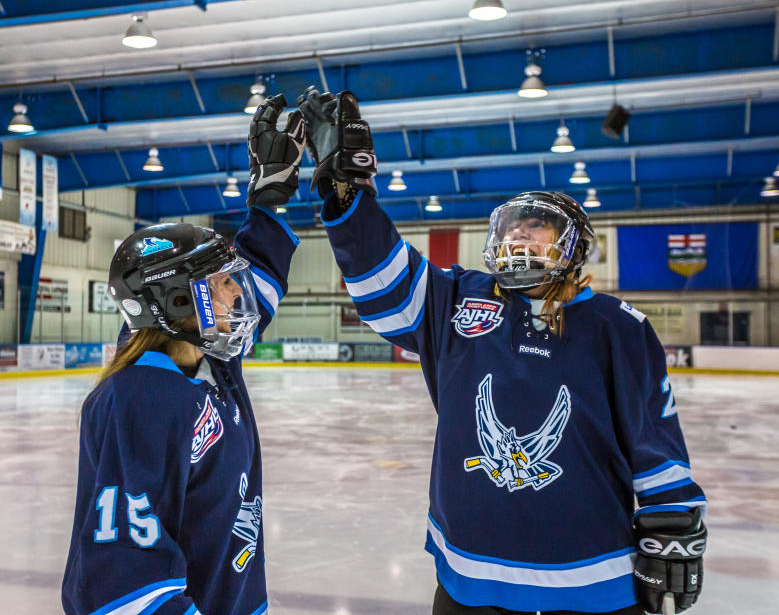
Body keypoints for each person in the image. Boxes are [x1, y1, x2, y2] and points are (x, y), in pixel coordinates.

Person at [291, 86, 708, 615]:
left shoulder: (615, 324)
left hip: (590, 571)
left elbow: (653, 433)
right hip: (473, 567)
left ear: (572, 248)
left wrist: (671, 521)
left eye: (539, 231)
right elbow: (382, 280)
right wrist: (350, 190)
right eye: (512, 230)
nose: (520, 239)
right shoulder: (457, 298)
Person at [61, 94, 306, 615]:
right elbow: (123, 576)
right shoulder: (140, 400)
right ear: (174, 301)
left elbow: (259, 277)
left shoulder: (209, 364)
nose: (237, 297)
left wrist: (267, 199)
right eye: (220, 286)